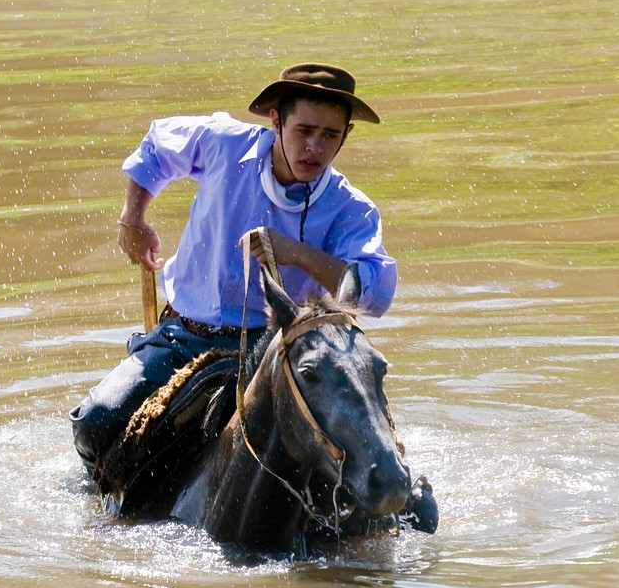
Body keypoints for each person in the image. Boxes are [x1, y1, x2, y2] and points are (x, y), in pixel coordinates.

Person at [70, 62, 398, 470]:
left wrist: (295, 252)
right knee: (94, 424)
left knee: (371, 452)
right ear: (276, 121)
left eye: (329, 135)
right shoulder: (224, 143)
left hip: (278, 351)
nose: (314, 147)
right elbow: (156, 146)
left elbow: (373, 293)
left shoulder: (352, 208)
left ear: (346, 135)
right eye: (304, 131)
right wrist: (132, 219)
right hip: (186, 336)